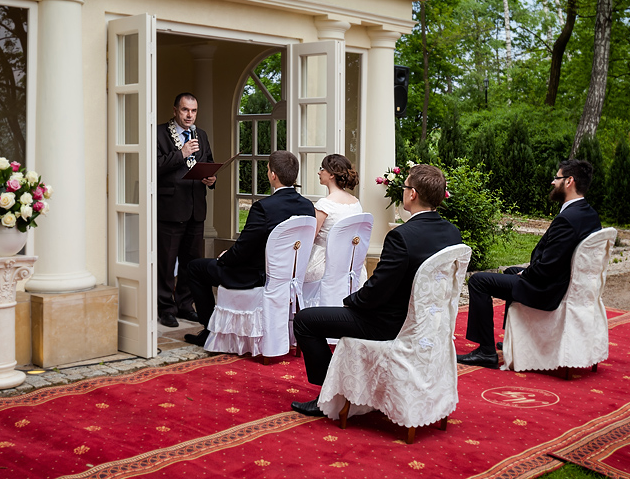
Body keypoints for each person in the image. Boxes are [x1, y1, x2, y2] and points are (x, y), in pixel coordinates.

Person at [291, 164, 463, 416]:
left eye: (405, 186)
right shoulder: (452, 233)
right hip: (428, 324)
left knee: (305, 320)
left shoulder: (402, 236)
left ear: (412, 194)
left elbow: (377, 291)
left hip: (389, 324)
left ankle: (330, 393)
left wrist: (351, 300)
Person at [457, 159, 601, 369]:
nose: (553, 182)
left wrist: (526, 274)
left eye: (557, 177)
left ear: (569, 181)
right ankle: (515, 339)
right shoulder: (589, 213)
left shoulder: (567, 219)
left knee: (479, 281)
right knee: (511, 271)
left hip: (549, 289)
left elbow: (548, 267)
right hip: (568, 282)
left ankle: (485, 351)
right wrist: (524, 272)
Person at [183, 150, 315, 346]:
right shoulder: (307, 206)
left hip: (254, 276)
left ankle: (209, 330)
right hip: (287, 276)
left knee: (195, 267)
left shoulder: (264, 207)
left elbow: (243, 250)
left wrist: (223, 258)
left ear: (273, 175)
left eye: (268, 169)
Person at [156, 93, 216, 328]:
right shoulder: (159, 133)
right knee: (166, 263)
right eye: (185, 110)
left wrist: (212, 178)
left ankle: (184, 304)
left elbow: (208, 162)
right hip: (170, 209)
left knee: (191, 261)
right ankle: (165, 308)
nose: (190, 115)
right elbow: (153, 167)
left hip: (196, 208)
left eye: (193, 111)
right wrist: (181, 153)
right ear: (175, 110)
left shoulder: (201, 135)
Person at [303, 154, 364, 288]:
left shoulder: (325, 205)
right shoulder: (356, 203)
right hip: (349, 264)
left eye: (322, 169)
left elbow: (309, 238)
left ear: (331, 174)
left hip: (324, 266)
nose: (319, 172)